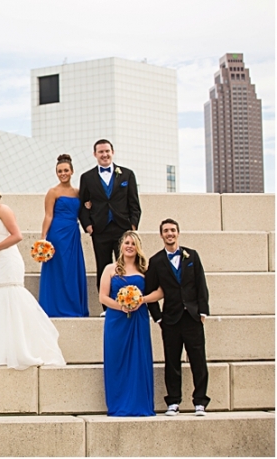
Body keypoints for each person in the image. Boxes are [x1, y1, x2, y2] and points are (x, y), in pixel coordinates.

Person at [0, 184, 66, 370]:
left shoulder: (4, 210)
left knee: (11, 295)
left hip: (8, 259)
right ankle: (2, 348)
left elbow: (17, 235)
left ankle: (21, 348)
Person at [145, 219, 211, 417]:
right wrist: (158, 318)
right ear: (161, 235)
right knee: (171, 361)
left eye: (172, 230)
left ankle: (200, 401)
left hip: (192, 317)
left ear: (178, 233)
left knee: (198, 361)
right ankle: (173, 401)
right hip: (171, 320)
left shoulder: (192, 256)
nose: (169, 234)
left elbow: (201, 285)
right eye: (166, 231)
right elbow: (149, 291)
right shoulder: (156, 261)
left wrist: (203, 312)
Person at [99, 230, 163, 416]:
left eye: (133, 243)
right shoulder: (110, 269)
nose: (129, 246)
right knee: (116, 360)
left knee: (138, 360)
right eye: (126, 242)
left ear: (138, 248)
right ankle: (118, 404)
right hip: (116, 321)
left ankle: (139, 404)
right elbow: (103, 296)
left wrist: (140, 300)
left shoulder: (146, 270)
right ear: (121, 246)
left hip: (138, 319)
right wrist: (121, 306)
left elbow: (160, 292)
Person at [78, 139, 141, 314]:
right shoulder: (87, 177)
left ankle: (128, 300)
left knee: (126, 266)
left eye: (107, 151)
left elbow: (134, 203)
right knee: (103, 266)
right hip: (100, 230)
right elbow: (82, 205)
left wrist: (133, 226)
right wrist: (88, 226)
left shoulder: (127, 175)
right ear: (95, 154)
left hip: (123, 229)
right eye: (101, 152)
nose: (104, 155)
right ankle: (107, 307)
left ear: (112, 152)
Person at [39, 154, 89, 317]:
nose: (63, 173)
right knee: (58, 268)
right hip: (57, 234)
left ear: (72, 171)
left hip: (73, 233)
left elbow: (86, 210)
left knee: (71, 270)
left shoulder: (78, 192)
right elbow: (48, 215)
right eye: (60, 171)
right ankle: (54, 306)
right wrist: (43, 238)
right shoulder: (52, 192)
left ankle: (73, 306)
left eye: (66, 170)